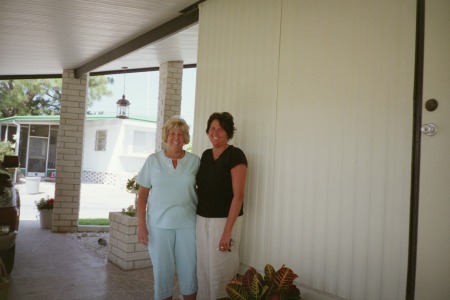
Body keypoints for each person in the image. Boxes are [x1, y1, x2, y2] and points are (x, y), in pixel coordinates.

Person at [136, 116, 200, 300]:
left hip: (188, 225)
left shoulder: (195, 161)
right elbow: (142, 197)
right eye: (172, 133)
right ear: (166, 136)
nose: (176, 137)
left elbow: (205, 192)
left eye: (181, 134)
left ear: (186, 137)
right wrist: (142, 225)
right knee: (163, 275)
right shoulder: (153, 161)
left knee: (189, 273)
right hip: (158, 227)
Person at [196, 112, 248, 299]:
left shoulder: (235, 155)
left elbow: (238, 196)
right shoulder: (206, 155)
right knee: (203, 269)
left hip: (225, 221)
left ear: (228, 133)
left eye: (220, 129)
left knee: (221, 270)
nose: (215, 132)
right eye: (212, 128)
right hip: (201, 219)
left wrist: (227, 232)